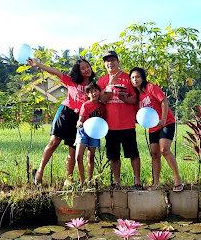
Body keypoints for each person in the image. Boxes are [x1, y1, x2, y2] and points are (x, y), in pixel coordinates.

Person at [27, 57, 94, 186]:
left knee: (73, 150)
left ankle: (68, 179)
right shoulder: (71, 81)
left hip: (80, 119)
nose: (86, 69)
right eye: (83, 68)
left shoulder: (92, 86)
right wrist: (38, 64)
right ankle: (39, 173)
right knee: (53, 143)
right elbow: (55, 72)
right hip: (65, 113)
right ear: (78, 71)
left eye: (87, 66)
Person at [129, 66, 184, 192]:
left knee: (164, 149)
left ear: (142, 77)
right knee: (154, 154)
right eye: (132, 78)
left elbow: (163, 101)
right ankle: (156, 183)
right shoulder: (138, 96)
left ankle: (177, 178)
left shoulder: (151, 87)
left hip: (166, 122)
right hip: (152, 126)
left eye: (137, 76)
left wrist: (163, 119)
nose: (135, 79)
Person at [98, 50, 142, 190]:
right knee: (114, 156)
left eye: (112, 60)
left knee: (133, 154)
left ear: (118, 62)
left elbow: (135, 98)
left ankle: (137, 181)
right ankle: (117, 182)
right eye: (107, 61)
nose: (110, 63)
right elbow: (102, 101)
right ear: (105, 64)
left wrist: (126, 99)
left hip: (127, 124)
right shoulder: (102, 81)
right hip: (110, 126)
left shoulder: (128, 78)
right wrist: (109, 85)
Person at [75, 81, 106, 184]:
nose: (94, 93)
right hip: (83, 131)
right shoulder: (86, 105)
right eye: (91, 91)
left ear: (99, 91)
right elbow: (81, 118)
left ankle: (89, 180)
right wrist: (79, 123)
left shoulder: (103, 106)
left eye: (96, 90)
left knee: (91, 156)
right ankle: (82, 180)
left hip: (95, 132)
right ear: (87, 94)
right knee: (78, 156)